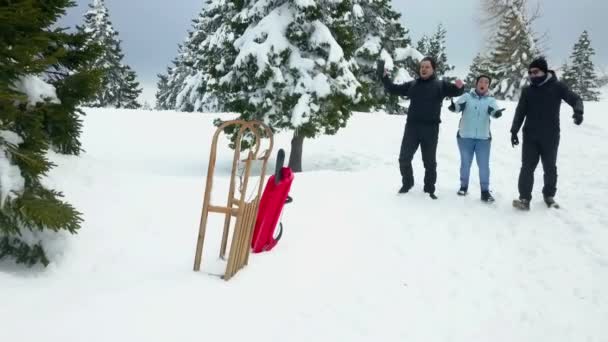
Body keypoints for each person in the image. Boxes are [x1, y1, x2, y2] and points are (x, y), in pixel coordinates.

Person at [377, 57, 464, 199]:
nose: (423, 69)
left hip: (430, 129)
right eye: (422, 66)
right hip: (412, 127)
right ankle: (407, 183)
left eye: (427, 67)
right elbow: (393, 89)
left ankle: (429, 189)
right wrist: (384, 77)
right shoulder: (413, 85)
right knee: (404, 158)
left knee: (429, 162)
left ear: (433, 69)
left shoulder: (440, 85)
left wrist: (461, 87)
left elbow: (456, 91)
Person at [510, 57, 584, 210]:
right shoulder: (527, 90)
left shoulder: (557, 87)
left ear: (544, 71)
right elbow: (520, 112)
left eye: (535, 72)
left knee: (550, 167)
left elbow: (575, 98)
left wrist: (578, 111)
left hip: (550, 136)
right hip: (530, 135)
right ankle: (524, 199)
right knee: (527, 167)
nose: (532, 75)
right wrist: (514, 131)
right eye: (530, 73)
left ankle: (549, 195)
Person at [448, 74, 505, 202]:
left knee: (484, 166)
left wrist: (497, 113)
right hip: (465, 137)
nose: (483, 84)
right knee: (465, 164)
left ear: (488, 86)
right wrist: (453, 107)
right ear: (476, 83)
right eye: (481, 81)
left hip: (483, 139)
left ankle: (485, 192)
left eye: (486, 82)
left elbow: (494, 112)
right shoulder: (467, 97)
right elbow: (458, 107)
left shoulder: (490, 100)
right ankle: (463, 187)